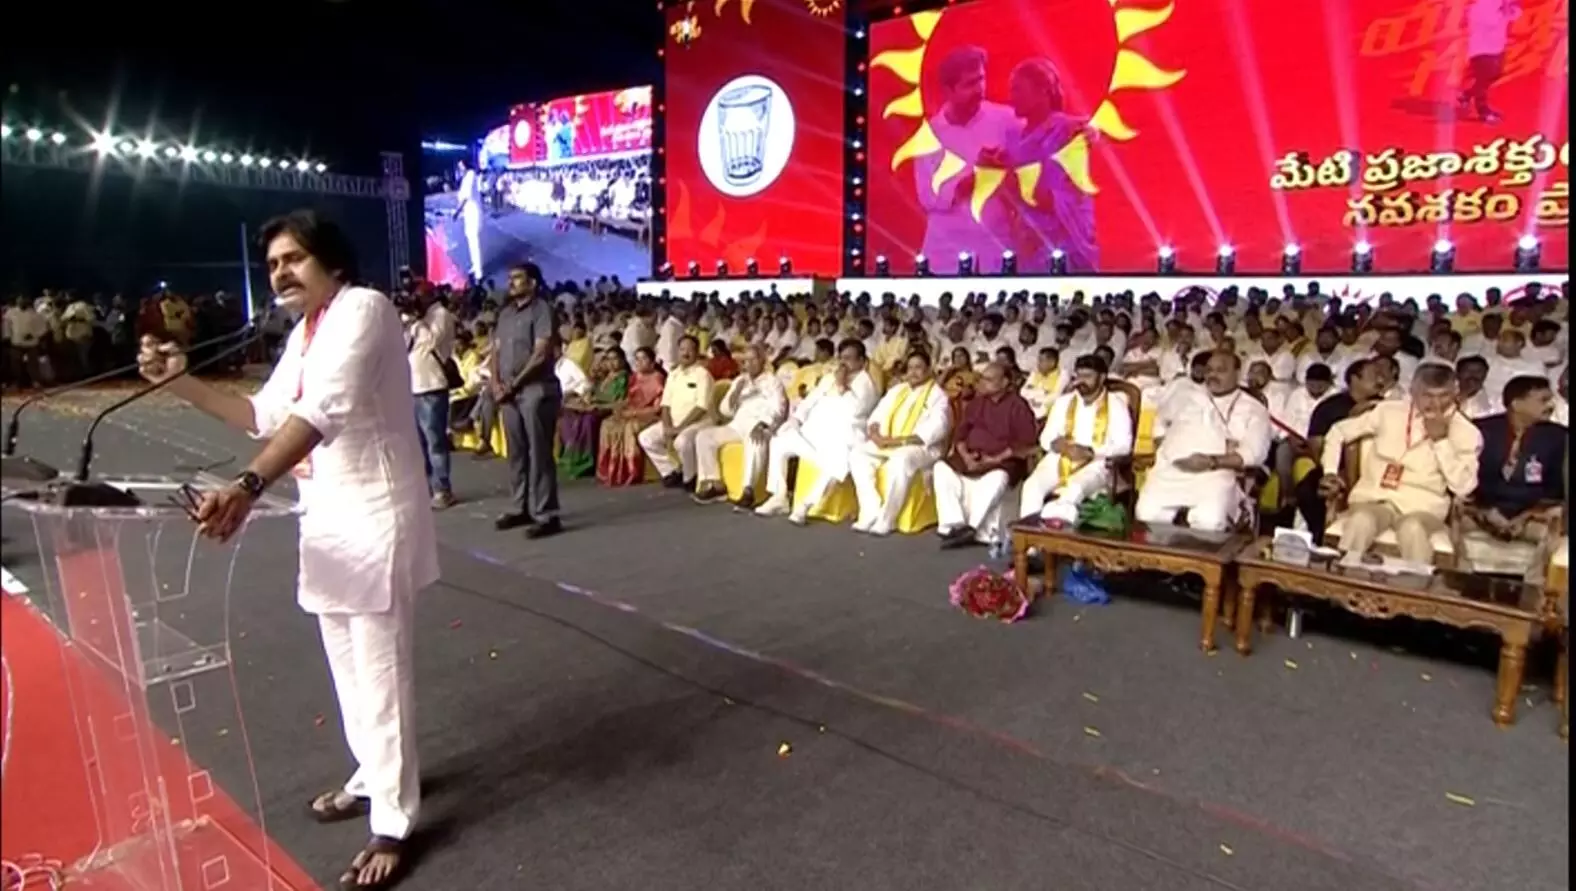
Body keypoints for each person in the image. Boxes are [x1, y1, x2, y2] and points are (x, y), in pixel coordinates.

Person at [137, 210, 435, 890]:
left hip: (375, 518)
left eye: (294, 258)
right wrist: (177, 381)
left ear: (333, 262)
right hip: (326, 521)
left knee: (381, 675)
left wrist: (247, 486)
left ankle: (394, 821)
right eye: (273, 264)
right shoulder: (307, 331)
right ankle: (374, 775)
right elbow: (262, 416)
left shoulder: (363, 308)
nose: (280, 272)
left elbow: (320, 414)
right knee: (348, 672)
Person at [1318, 363, 1483, 565]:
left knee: (1412, 528)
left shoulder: (1467, 432)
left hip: (1422, 507)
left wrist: (1441, 442)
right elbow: (1338, 431)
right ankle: (1345, 573)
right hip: (1374, 497)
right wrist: (1330, 471)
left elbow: (1465, 486)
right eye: (1428, 396)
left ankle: (1416, 582)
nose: (1436, 404)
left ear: (1455, 392)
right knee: (1361, 519)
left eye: (1444, 396)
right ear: (1413, 391)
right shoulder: (1389, 411)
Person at [1135, 351, 1273, 531]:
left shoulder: (1254, 409)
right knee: (1146, 513)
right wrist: (1164, 445)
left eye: (1220, 370)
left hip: (1217, 474)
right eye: (1209, 370)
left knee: (1208, 520)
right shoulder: (1186, 395)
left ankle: (1239, 514)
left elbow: (1254, 453)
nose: (1212, 375)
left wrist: (1212, 461)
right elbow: (1160, 420)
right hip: (1171, 471)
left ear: (1237, 374)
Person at [915, 46, 1021, 270]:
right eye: (970, 84)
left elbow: (1042, 144)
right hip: (945, 255)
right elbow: (929, 197)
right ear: (948, 90)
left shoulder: (1006, 120)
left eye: (981, 79)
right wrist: (977, 174)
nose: (979, 89)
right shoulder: (929, 136)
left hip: (996, 248)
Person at [755, 339, 879, 524]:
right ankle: (779, 496)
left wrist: (842, 386)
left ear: (862, 361)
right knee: (779, 441)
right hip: (811, 433)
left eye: (849, 359)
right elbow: (809, 402)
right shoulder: (829, 378)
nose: (843, 363)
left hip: (840, 439)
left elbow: (856, 412)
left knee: (837, 464)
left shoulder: (866, 384)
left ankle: (805, 505)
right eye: (841, 358)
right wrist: (796, 420)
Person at [1460, 375, 1565, 581]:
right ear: (1517, 404)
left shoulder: (1557, 437)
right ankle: (1458, 586)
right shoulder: (1480, 430)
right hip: (1481, 511)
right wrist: (1485, 512)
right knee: (1455, 516)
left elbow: (1555, 491)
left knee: (1551, 531)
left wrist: (1527, 516)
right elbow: (1465, 482)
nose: (1551, 405)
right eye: (1543, 400)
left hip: (1529, 516)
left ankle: (1532, 591)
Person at [1001, 57, 1098, 272]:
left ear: (1043, 91)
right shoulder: (1013, 136)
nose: (1012, 97)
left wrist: (1014, 185)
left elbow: (1062, 195)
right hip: (1027, 245)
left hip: (1063, 242)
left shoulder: (1066, 131)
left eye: (1018, 90)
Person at [933, 361, 1040, 547]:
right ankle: (953, 524)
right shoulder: (977, 403)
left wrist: (993, 459)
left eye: (988, 380)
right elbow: (960, 435)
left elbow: (1026, 444)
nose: (981, 383)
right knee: (941, 468)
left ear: (1004, 382)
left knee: (998, 478)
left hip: (1002, 460)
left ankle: (972, 527)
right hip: (972, 455)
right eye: (982, 378)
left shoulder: (1018, 406)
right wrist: (966, 456)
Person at [491, 263, 563, 539]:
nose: (511, 282)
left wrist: (513, 384)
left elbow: (540, 354)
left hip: (535, 389)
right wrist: (495, 383)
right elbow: (496, 351)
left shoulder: (542, 310)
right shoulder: (505, 314)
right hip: (508, 392)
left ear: (532, 283)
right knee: (516, 452)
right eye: (510, 278)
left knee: (539, 452)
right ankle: (519, 506)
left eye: (518, 278)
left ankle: (546, 513)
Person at [1019, 354, 1133, 524]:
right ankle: (1028, 536)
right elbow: (1045, 437)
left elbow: (1124, 445)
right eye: (1078, 376)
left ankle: (1057, 536)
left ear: (1102, 377)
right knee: (1031, 487)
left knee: (1074, 490)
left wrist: (1091, 452)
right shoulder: (1063, 402)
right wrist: (1056, 444)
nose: (1081, 381)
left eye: (1087, 376)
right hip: (1060, 458)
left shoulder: (1116, 405)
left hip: (1096, 463)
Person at [848, 350, 951, 535]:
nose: (913, 372)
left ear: (929, 370)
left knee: (901, 459)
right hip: (887, 443)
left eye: (918, 368)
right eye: (910, 368)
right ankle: (871, 510)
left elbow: (937, 429)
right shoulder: (897, 390)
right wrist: (876, 436)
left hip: (920, 447)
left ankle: (887, 519)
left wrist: (896, 442)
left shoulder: (938, 395)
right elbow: (876, 416)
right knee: (858, 454)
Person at [691, 342, 788, 507]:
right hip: (737, 426)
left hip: (759, 425)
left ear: (762, 361)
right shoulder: (739, 381)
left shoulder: (773, 382)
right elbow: (725, 411)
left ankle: (748, 490)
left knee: (755, 439)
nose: (749, 364)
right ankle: (716, 484)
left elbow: (780, 408)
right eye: (746, 361)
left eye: (753, 360)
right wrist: (735, 393)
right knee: (704, 436)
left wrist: (763, 424)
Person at [638, 334, 715, 488]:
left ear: (697, 352)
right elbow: (666, 405)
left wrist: (679, 429)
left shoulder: (703, 375)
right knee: (646, 438)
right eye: (682, 349)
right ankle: (671, 471)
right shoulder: (673, 374)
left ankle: (690, 477)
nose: (685, 353)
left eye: (690, 350)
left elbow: (701, 407)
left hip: (699, 422)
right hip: (674, 422)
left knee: (682, 441)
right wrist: (667, 427)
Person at [405, 288, 457, 509]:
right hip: (412, 387)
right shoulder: (415, 320)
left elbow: (433, 341)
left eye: (420, 296)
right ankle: (423, 487)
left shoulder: (441, 314)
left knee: (435, 441)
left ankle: (442, 488)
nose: (417, 299)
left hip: (432, 386)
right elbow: (405, 345)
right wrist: (408, 322)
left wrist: (419, 321)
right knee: (418, 443)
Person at [597, 347, 665, 486]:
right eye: (637, 359)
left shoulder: (657, 379)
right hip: (632, 411)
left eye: (643, 358)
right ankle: (612, 472)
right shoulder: (635, 377)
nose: (639, 362)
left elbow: (657, 408)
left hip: (650, 415)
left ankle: (631, 471)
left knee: (629, 427)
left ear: (652, 362)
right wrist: (619, 408)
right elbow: (630, 399)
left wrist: (633, 413)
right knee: (608, 424)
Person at [1459, 0, 1520, 123]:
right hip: (1481, 48)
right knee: (1484, 78)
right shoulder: (1479, 7)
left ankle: (1467, 94)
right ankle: (1483, 111)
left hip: (1497, 45)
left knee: (1496, 73)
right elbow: (1487, 22)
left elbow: (1515, 13)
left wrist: (1508, 8)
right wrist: (1503, 12)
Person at [453, 159, 484, 281]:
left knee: (474, 242)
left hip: (473, 213)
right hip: (468, 213)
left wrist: (457, 211)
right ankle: (475, 266)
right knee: (470, 240)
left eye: (461, 166)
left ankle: (479, 273)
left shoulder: (471, 175)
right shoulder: (466, 177)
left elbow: (466, 196)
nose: (460, 168)